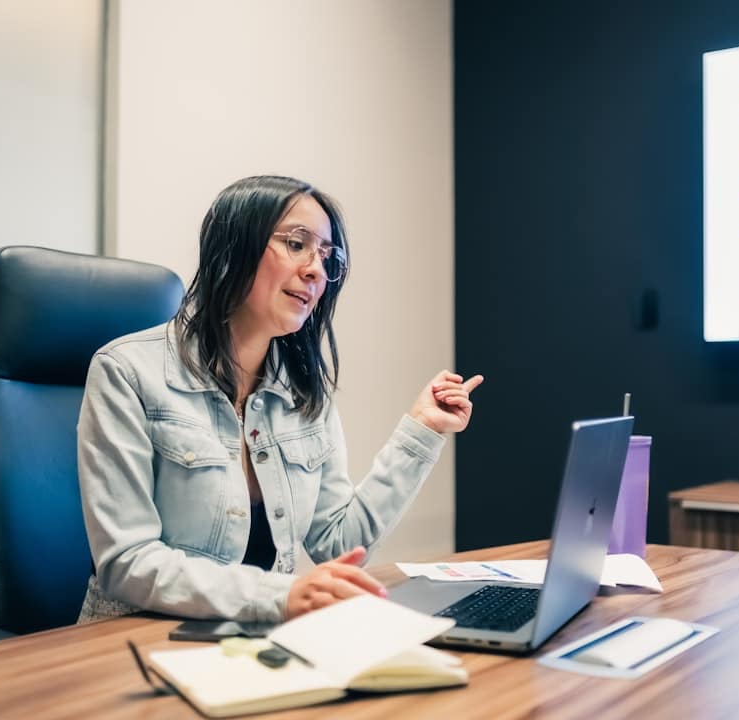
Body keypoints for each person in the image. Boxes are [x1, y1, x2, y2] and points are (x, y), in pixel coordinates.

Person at [77, 175, 483, 624]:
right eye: (296, 243)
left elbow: (339, 543)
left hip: (243, 642)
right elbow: (126, 561)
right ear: (233, 248)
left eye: (327, 256)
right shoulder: (126, 372)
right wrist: (280, 595)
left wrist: (421, 432)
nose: (315, 270)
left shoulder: (303, 391)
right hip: (128, 643)